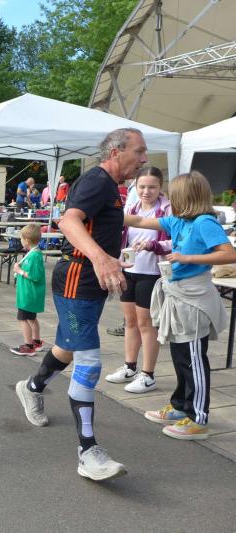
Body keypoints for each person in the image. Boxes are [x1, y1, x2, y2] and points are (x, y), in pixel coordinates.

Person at [14, 128, 148, 481]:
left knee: (68, 347)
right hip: (78, 280)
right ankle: (88, 451)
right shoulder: (97, 181)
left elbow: (112, 220)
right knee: (89, 361)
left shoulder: (111, 187)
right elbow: (68, 220)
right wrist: (101, 258)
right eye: (140, 151)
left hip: (89, 283)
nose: (145, 158)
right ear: (116, 152)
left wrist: (168, 222)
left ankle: (32, 387)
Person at [128, 171, 236, 440]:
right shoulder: (178, 220)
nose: (169, 198)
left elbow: (229, 254)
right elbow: (139, 220)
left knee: (193, 359)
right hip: (179, 296)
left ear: (186, 197)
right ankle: (180, 407)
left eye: (173, 194)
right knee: (180, 356)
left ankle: (198, 418)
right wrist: (100, 211)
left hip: (194, 298)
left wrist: (186, 258)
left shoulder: (204, 222)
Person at [105, 167, 171, 393]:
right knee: (130, 321)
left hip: (152, 273)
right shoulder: (131, 208)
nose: (146, 191)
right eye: (142, 186)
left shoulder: (167, 210)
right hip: (130, 270)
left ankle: (148, 375)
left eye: (152, 187)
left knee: (146, 324)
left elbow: (177, 241)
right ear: (135, 186)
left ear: (160, 187)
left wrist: (153, 245)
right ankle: (130, 367)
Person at [9, 224, 46, 355]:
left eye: (21, 238)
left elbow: (35, 276)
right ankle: (36, 341)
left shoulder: (34, 256)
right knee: (32, 318)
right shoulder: (34, 253)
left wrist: (19, 271)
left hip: (28, 294)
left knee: (23, 319)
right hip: (30, 293)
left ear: (26, 240)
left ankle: (28, 345)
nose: (20, 241)